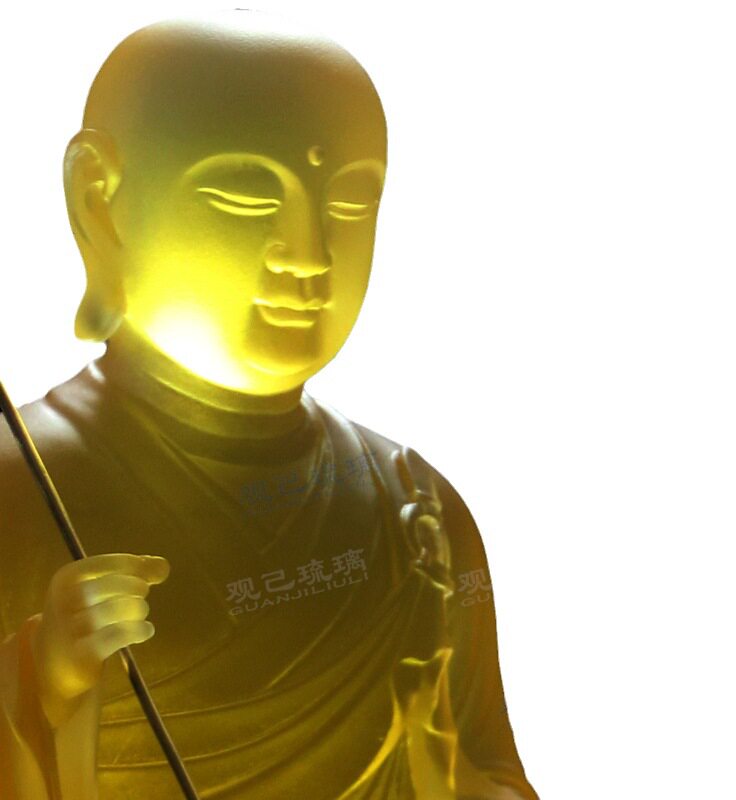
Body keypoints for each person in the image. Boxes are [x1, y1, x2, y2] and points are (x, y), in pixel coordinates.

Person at [0, 14, 539, 799]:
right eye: (246, 196)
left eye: (348, 203)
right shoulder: (20, 491)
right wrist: (42, 693)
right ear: (100, 202)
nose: (309, 254)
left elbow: (490, 772)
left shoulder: (417, 510)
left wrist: (443, 772)